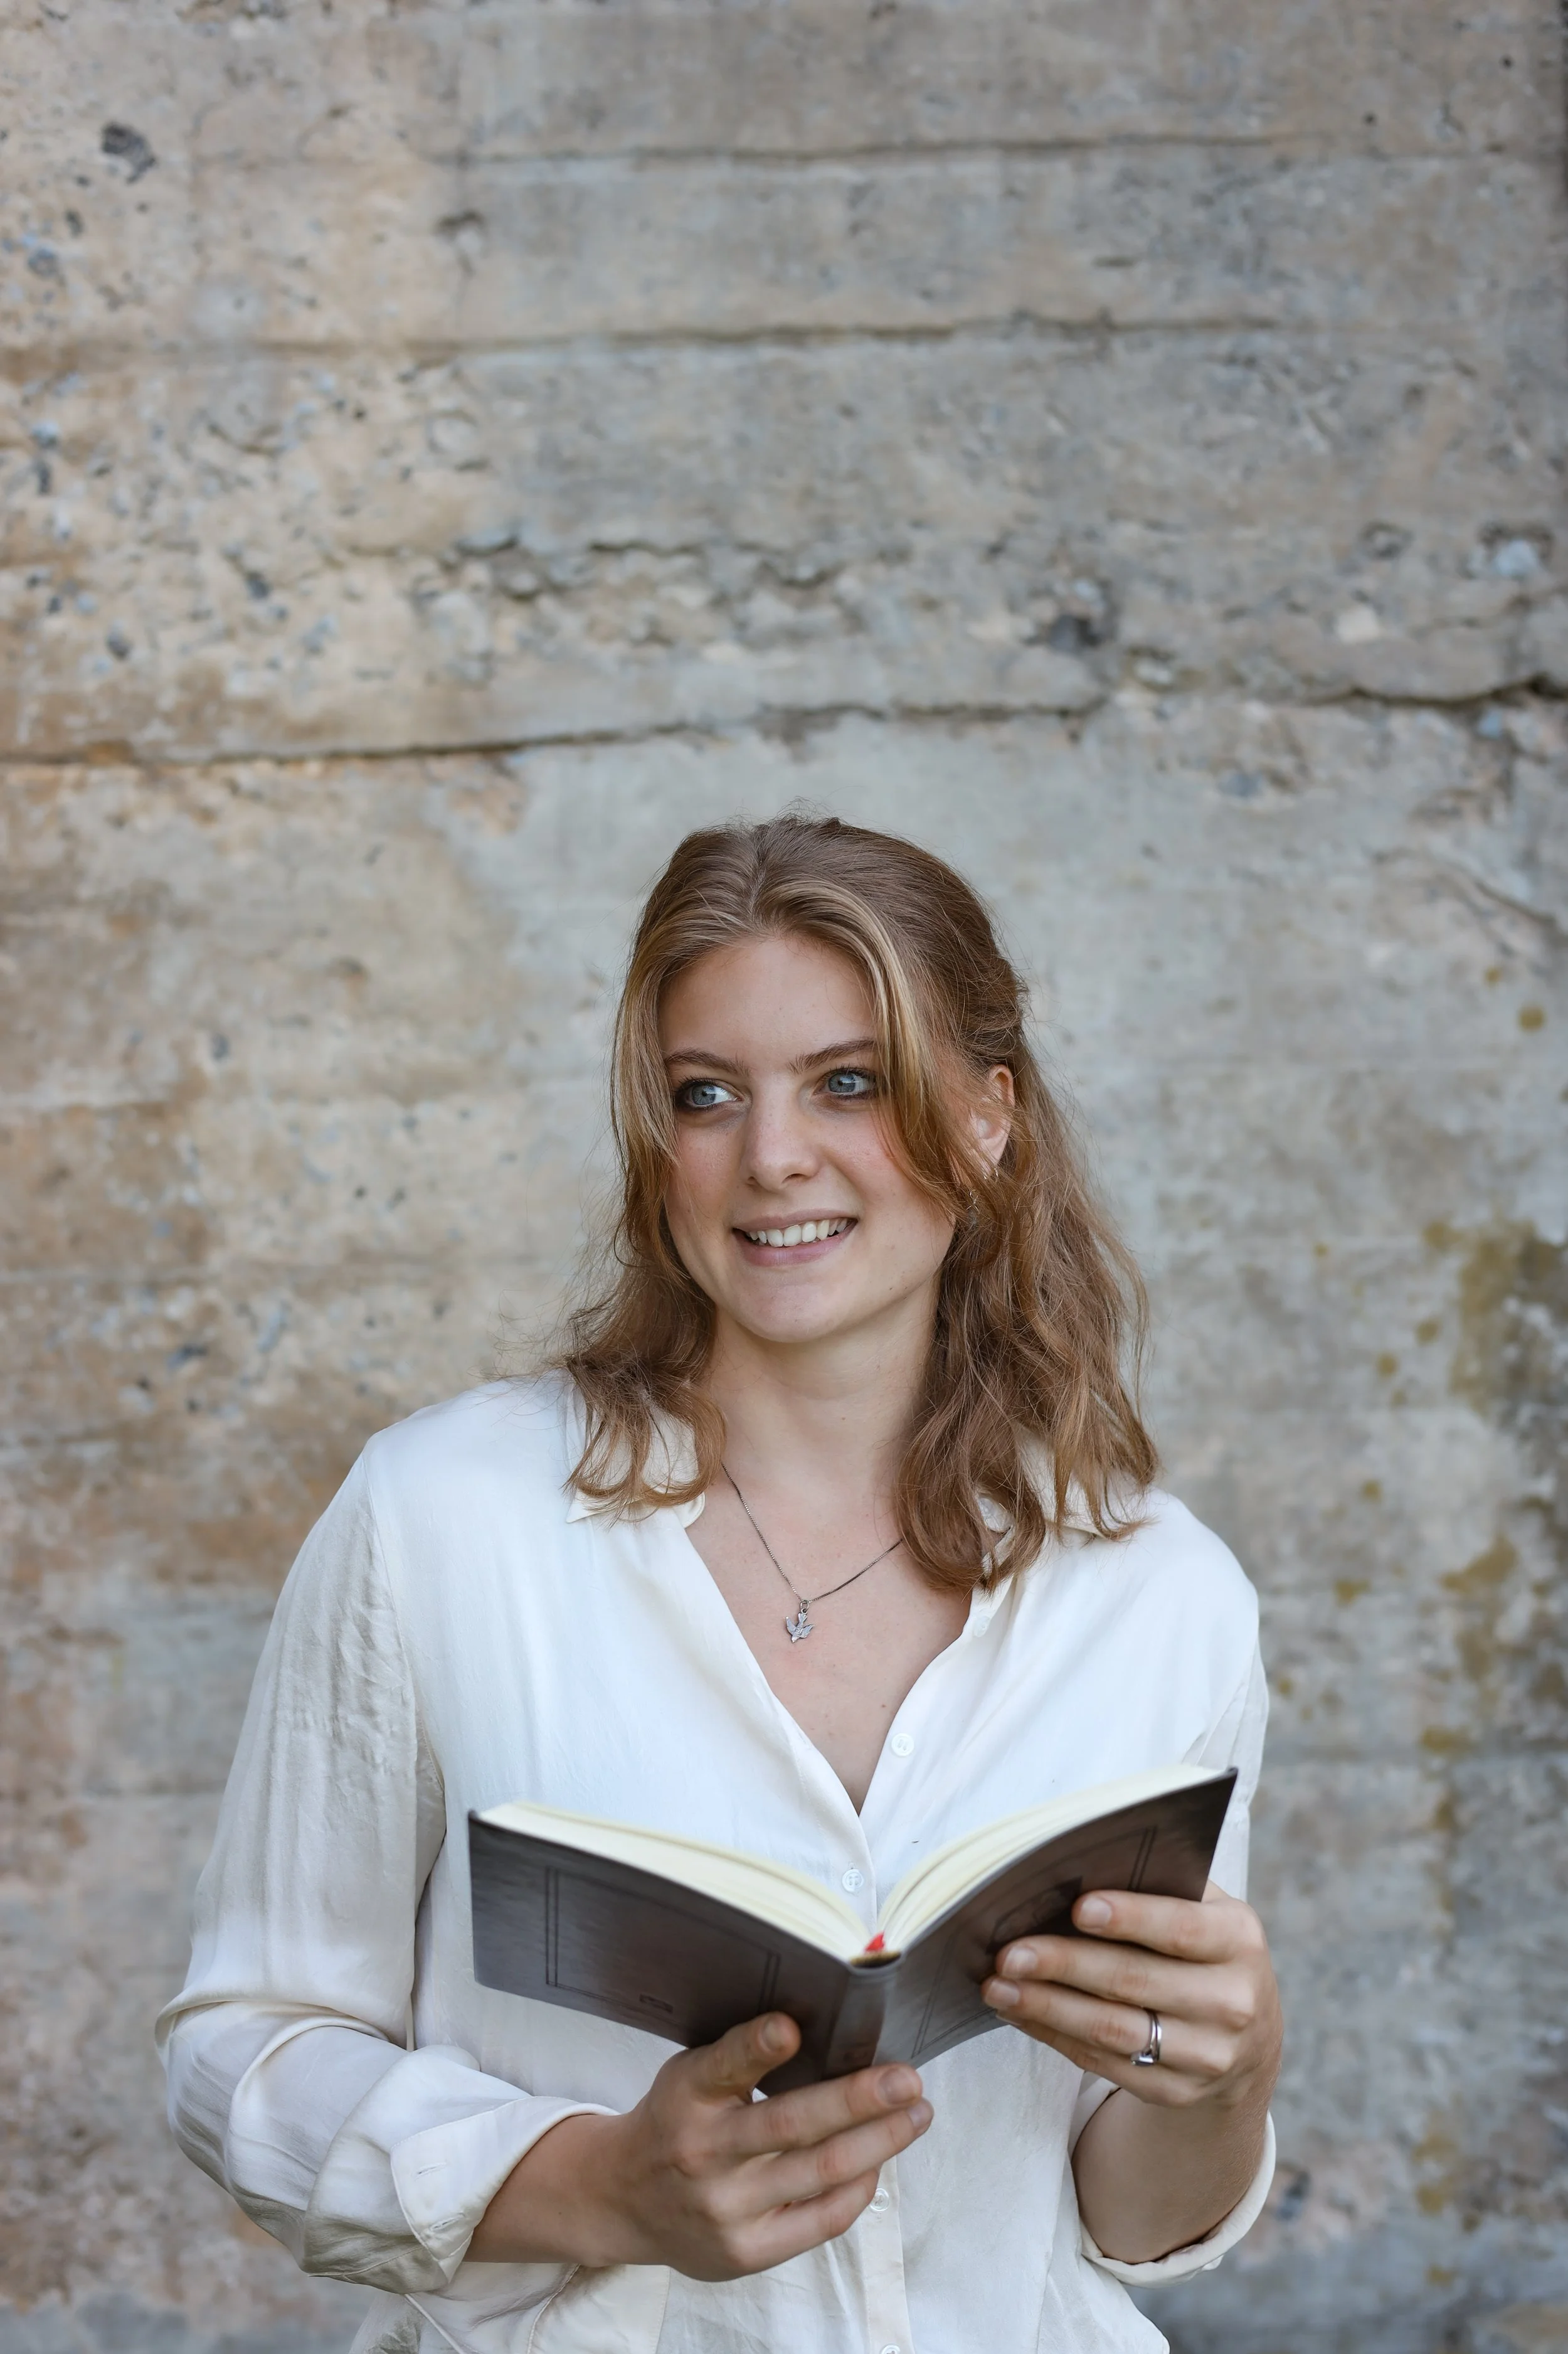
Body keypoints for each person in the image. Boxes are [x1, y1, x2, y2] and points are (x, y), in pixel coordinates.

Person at [158, 815, 1281, 2354]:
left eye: (850, 1081)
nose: (771, 1157)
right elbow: (245, 2049)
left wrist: (1224, 2075)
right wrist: (598, 2185)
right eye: (705, 1094)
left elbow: (1122, 2226)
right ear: (653, 1137)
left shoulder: (1162, 1599)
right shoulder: (442, 1520)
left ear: (989, 1113)